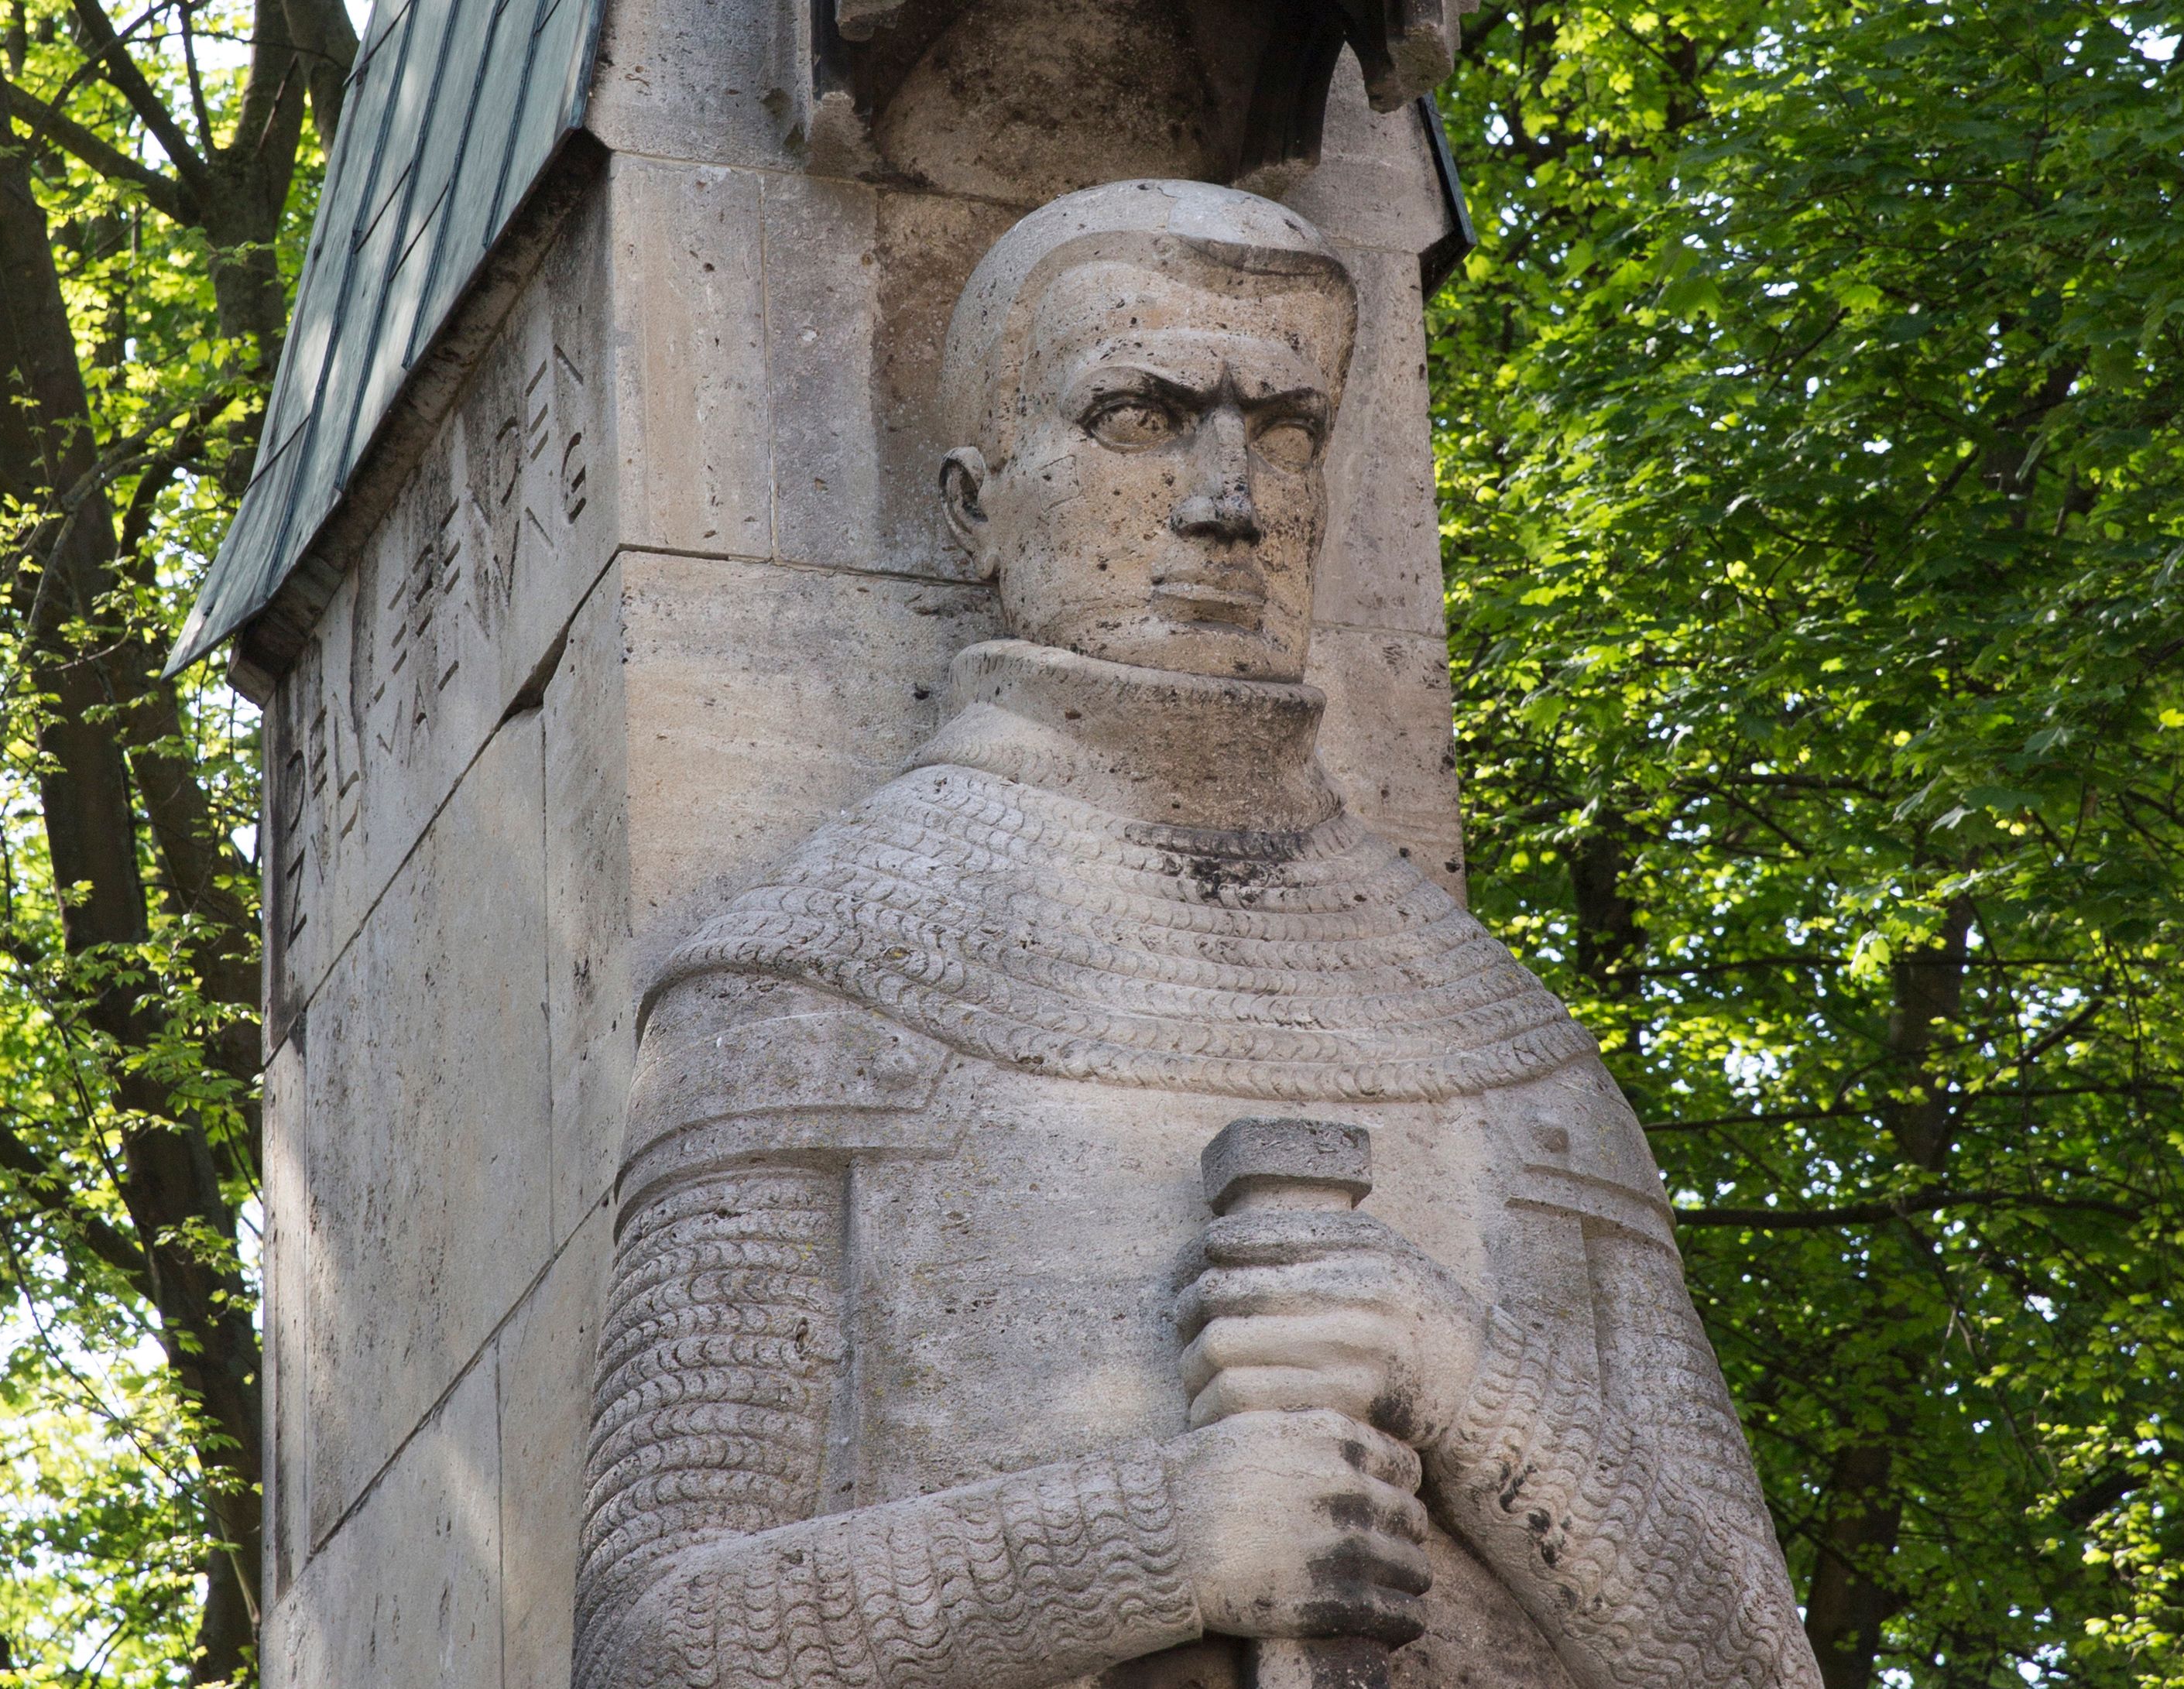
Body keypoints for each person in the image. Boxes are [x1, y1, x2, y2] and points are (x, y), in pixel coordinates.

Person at [572, 178, 1819, 1689]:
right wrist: (1162, 1534)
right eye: (1144, 417)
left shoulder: (1516, 1047)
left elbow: (1756, 1664)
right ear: (976, 503)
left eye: (1286, 431)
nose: (1230, 500)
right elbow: (655, 1643)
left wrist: (1462, 1378)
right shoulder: (804, 984)